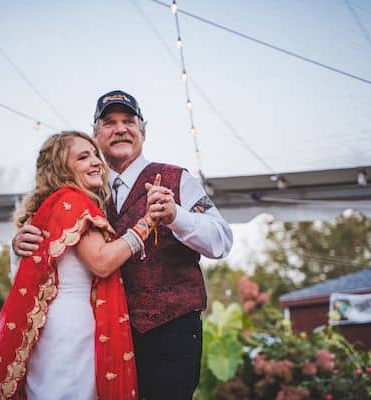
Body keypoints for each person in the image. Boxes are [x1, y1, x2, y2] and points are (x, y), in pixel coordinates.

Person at [13, 90, 233, 399]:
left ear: (143, 130)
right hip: (103, 337)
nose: (120, 128)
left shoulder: (177, 179)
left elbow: (221, 240)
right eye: (109, 122)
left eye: (129, 121)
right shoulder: (83, 192)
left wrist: (176, 215)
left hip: (171, 332)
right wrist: (22, 241)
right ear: (96, 134)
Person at [0, 131, 164, 400]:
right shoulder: (72, 201)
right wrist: (145, 224)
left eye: (95, 154)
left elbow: (21, 278)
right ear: (62, 168)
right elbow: (102, 262)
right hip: (72, 330)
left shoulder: (52, 207)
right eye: (84, 157)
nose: (97, 162)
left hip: (51, 325)